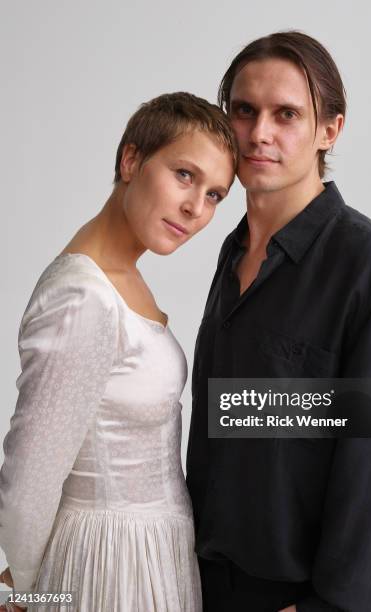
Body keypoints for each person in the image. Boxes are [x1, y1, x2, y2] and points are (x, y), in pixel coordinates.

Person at [186, 31, 371, 612]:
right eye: (244, 111)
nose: (260, 133)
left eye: (287, 114)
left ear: (330, 130)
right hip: (199, 582)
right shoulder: (232, 254)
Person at [0, 92, 237, 611]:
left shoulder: (126, 279)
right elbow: (29, 477)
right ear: (131, 160)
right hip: (106, 566)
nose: (196, 207)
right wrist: (26, 589)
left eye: (215, 194)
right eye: (184, 175)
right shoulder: (82, 296)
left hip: (158, 553)